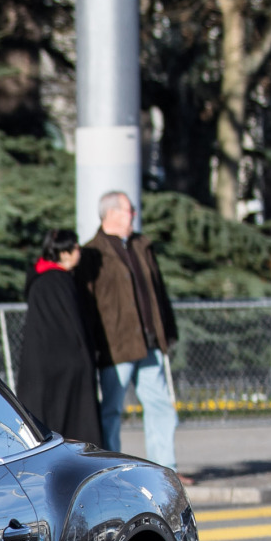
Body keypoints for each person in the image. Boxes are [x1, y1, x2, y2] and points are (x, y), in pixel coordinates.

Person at [77, 190, 181, 470]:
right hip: (117, 344)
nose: (134, 214)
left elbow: (158, 292)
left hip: (148, 342)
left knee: (160, 406)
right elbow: (88, 302)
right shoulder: (92, 251)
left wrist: (167, 332)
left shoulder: (142, 245)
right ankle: (111, 470)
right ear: (111, 213)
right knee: (111, 410)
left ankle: (166, 469)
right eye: (129, 210)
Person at [18, 230, 105, 446]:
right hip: (64, 369)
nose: (79, 252)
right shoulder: (59, 282)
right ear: (63, 253)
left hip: (41, 368)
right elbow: (72, 327)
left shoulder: (41, 280)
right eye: (75, 247)